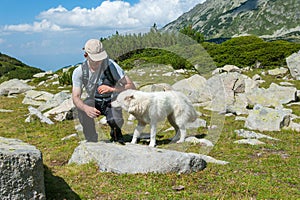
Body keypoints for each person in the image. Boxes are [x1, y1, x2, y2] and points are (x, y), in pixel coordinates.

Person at [72, 39, 136, 144]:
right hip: (94, 100)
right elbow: (76, 97)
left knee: (115, 120)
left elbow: (131, 87)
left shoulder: (111, 65)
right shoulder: (79, 72)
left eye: (100, 58)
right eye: (95, 59)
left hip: (112, 100)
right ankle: (91, 140)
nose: (99, 61)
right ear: (86, 56)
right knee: (82, 110)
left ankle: (116, 136)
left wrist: (112, 89)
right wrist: (86, 108)